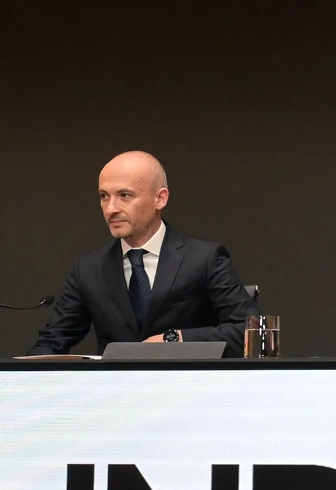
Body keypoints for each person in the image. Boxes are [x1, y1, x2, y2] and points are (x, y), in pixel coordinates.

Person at [28, 151, 259, 356]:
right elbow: (51, 341)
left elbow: (250, 331)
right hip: (116, 389)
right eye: (104, 196)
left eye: (125, 195)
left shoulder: (203, 258)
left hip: (185, 386)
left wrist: (175, 339)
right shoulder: (89, 268)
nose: (111, 209)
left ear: (160, 198)